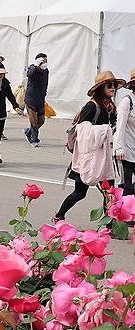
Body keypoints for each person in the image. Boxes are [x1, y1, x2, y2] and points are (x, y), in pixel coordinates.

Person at [53, 71, 125, 223]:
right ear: (100, 88)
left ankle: (109, 226)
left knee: (109, 192)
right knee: (80, 193)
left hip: (104, 156)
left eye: (114, 85)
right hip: (89, 156)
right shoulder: (91, 106)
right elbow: (83, 131)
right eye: (109, 85)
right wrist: (104, 131)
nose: (113, 88)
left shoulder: (110, 106)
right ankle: (59, 215)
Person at [115, 69, 135, 201]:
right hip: (127, 150)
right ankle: (122, 216)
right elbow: (120, 126)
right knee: (127, 186)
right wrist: (119, 147)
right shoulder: (127, 101)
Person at [24, 53, 50, 147]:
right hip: (31, 99)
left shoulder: (46, 71)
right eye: (43, 61)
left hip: (40, 99)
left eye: (46, 61)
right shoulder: (32, 68)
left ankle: (28, 131)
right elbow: (29, 74)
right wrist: (35, 65)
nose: (45, 63)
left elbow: (46, 83)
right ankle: (34, 139)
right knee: (34, 122)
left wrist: (44, 94)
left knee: (41, 120)